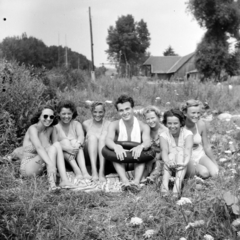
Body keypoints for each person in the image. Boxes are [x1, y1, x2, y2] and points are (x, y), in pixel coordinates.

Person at [20, 105, 76, 190]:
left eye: (51, 116)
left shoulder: (51, 129)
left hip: (42, 165)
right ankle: (52, 184)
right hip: (28, 167)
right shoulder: (33, 129)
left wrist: (68, 150)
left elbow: (56, 148)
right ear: (39, 117)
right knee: (50, 148)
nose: (48, 118)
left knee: (56, 145)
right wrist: (50, 164)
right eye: (45, 116)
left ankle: (64, 180)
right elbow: (39, 148)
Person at [105, 95, 152, 189]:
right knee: (115, 151)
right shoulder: (114, 124)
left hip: (136, 162)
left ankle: (136, 182)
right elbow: (108, 139)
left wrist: (141, 146)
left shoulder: (143, 126)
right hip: (120, 161)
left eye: (127, 109)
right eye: (121, 110)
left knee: (140, 152)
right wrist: (116, 147)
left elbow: (147, 141)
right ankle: (125, 181)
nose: (125, 112)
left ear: (132, 108)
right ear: (118, 112)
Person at [54, 100, 92, 182]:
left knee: (75, 141)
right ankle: (77, 170)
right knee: (65, 141)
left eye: (69, 114)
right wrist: (67, 149)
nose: (66, 116)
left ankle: (84, 171)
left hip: (77, 153)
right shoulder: (56, 127)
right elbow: (54, 143)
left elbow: (81, 136)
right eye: (63, 114)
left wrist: (77, 145)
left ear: (72, 113)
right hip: (64, 157)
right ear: (59, 114)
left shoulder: (76, 124)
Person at [181, 99, 219, 178]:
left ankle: (197, 173)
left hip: (199, 154)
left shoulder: (201, 124)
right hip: (186, 156)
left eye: (198, 113)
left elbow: (206, 146)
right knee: (204, 173)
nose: (196, 115)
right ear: (185, 113)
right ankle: (192, 176)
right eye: (193, 113)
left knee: (215, 173)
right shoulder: (180, 126)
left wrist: (215, 163)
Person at [160, 109, 193, 196]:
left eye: (175, 123)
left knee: (181, 153)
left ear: (181, 123)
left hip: (185, 164)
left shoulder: (187, 134)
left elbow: (188, 150)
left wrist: (184, 163)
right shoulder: (163, 135)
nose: (172, 126)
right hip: (171, 166)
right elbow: (164, 150)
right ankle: (164, 183)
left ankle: (177, 184)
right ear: (166, 123)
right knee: (170, 155)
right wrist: (168, 162)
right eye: (169, 123)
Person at [83, 102, 110, 182]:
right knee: (92, 138)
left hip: (103, 153)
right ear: (91, 112)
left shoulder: (108, 124)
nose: (97, 114)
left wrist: (102, 138)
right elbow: (90, 135)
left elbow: (104, 137)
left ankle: (101, 171)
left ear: (104, 112)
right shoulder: (86, 123)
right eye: (95, 112)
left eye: (100, 112)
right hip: (89, 153)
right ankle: (94, 171)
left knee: (102, 138)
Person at [142, 106, 167, 183]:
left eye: (153, 118)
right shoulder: (146, 130)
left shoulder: (165, 131)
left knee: (158, 164)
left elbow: (164, 150)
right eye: (148, 119)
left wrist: (152, 160)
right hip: (149, 156)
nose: (150, 121)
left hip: (161, 157)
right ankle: (142, 179)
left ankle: (152, 178)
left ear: (159, 117)